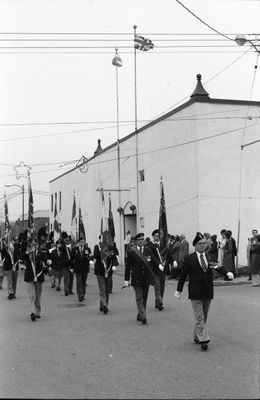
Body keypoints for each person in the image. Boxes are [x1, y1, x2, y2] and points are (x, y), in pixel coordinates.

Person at [175, 232, 234, 351]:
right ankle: (203, 339)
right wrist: (179, 290)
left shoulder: (208, 257)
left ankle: (197, 336)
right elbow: (183, 276)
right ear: (195, 245)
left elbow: (217, 266)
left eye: (204, 244)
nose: (203, 246)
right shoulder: (189, 259)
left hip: (207, 292)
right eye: (200, 244)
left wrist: (227, 272)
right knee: (199, 318)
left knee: (204, 317)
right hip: (195, 292)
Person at [124, 233, 155, 324]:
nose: (142, 241)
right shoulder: (131, 252)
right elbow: (128, 266)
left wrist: (159, 266)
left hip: (146, 278)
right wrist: (126, 279)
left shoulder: (147, 250)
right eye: (140, 240)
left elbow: (153, 260)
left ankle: (140, 313)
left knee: (144, 298)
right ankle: (143, 315)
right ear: (136, 241)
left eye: (143, 240)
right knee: (139, 297)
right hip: (136, 278)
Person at [22, 240, 52, 321]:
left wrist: (48, 261)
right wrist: (27, 252)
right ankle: (32, 311)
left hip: (38, 277)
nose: (35, 246)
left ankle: (37, 312)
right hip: (29, 277)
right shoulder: (28, 253)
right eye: (33, 244)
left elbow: (45, 259)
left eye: (36, 244)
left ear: (38, 245)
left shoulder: (41, 253)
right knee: (32, 295)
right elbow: (21, 257)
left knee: (38, 295)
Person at [93, 243, 118, 314]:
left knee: (107, 290)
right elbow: (96, 256)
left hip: (108, 273)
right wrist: (103, 253)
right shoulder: (97, 248)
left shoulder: (110, 247)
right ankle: (104, 306)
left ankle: (103, 304)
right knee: (102, 289)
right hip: (100, 273)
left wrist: (115, 265)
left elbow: (115, 258)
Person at [148, 229, 166, 311]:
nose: (158, 237)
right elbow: (152, 257)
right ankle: (159, 302)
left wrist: (173, 261)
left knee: (162, 286)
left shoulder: (162, 246)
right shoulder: (150, 246)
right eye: (156, 236)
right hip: (155, 269)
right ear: (153, 236)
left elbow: (168, 254)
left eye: (159, 236)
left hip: (163, 269)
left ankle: (158, 301)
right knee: (157, 286)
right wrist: (158, 264)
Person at [71, 237, 91, 302]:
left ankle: (83, 294)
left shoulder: (87, 249)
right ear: (79, 243)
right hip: (78, 268)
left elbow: (89, 257)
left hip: (85, 268)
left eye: (83, 242)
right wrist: (71, 267)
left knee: (83, 282)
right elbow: (71, 259)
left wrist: (90, 260)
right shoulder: (74, 249)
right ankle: (80, 295)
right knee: (79, 282)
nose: (82, 243)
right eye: (81, 242)